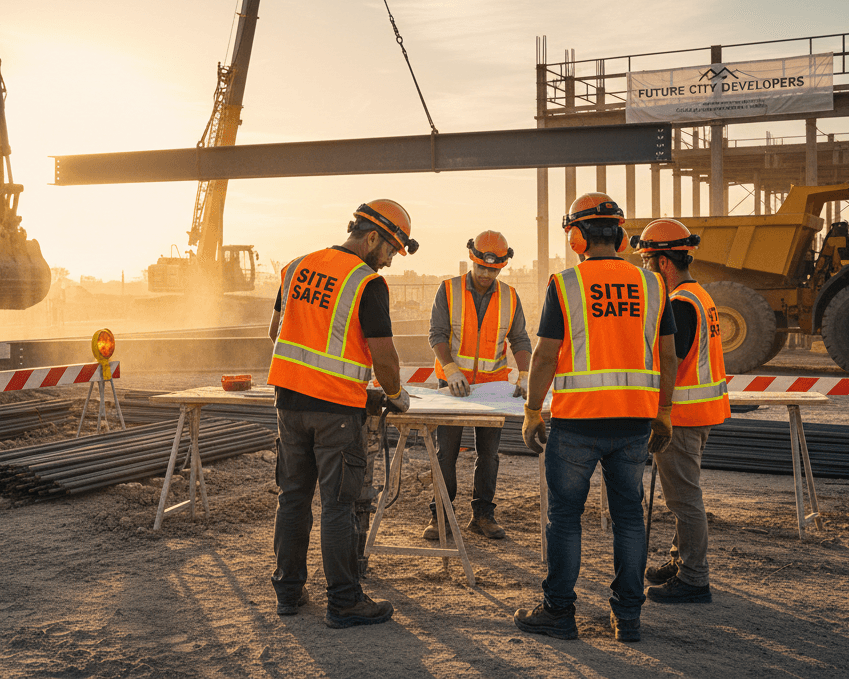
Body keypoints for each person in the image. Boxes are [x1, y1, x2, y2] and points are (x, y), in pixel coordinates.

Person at [514, 192, 677, 643]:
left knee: (564, 518)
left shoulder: (565, 284)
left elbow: (545, 354)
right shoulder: (653, 285)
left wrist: (531, 410)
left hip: (577, 424)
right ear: (623, 235)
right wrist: (664, 413)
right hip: (634, 424)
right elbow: (668, 353)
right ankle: (629, 619)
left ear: (576, 236)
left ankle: (559, 613)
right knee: (629, 518)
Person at [267, 199, 417, 630]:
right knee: (338, 505)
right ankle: (345, 601)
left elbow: (275, 331)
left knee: (293, 496)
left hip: (289, 404)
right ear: (372, 237)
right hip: (335, 410)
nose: (389, 261)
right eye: (390, 250)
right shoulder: (365, 282)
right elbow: (384, 357)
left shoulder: (295, 266)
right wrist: (394, 394)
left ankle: (289, 592)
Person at [631, 218, 729, 605]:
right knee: (682, 494)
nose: (644, 268)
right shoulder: (699, 295)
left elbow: (673, 359)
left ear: (663, 262)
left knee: (683, 499)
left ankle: (693, 578)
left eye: (646, 260)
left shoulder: (679, 304)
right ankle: (680, 560)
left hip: (682, 416)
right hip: (699, 411)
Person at [423, 230, 532, 541]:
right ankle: (440, 516)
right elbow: (437, 334)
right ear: (472, 261)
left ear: (502, 267)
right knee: (447, 452)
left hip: (493, 386)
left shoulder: (510, 296)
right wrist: (450, 367)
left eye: (493, 270)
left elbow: (520, 338)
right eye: (482, 268)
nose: (486, 274)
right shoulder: (448, 290)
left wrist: (524, 373)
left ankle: (482, 515)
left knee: (489, 454)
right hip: (453, 385)